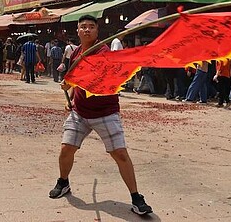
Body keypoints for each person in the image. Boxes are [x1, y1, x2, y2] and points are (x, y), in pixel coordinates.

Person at [49, 15, 153, 216]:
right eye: (83, 27)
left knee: (120, 154)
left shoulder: (104, 52)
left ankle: (136, 197)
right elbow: (75, 80)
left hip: (105, 111)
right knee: (66, 149)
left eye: (90, 27)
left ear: (97, 31)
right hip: (79, 112)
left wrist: (72, 82)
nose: (86, 30)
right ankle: (63, 182)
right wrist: (69, 95)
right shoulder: (76, 53)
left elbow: (97, 79)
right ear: (78, 31)